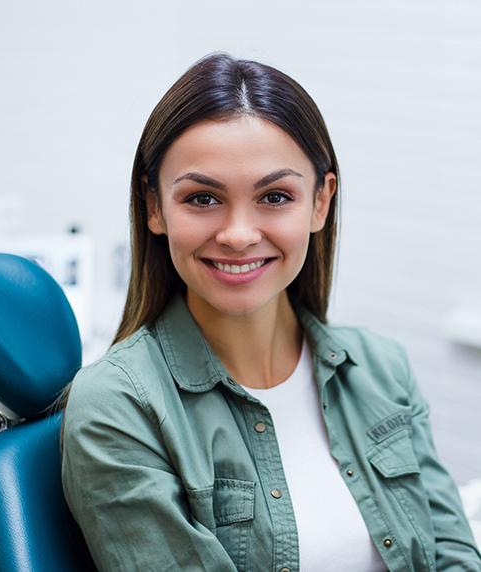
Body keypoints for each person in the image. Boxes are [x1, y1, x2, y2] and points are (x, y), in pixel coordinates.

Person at [61, 53, 481, 571]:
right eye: (202, 198)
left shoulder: (380, 367)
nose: (238, 235)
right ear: (154, 206)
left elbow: (454, 556)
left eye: (275, 196)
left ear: (320, 203)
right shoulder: (117, 407)